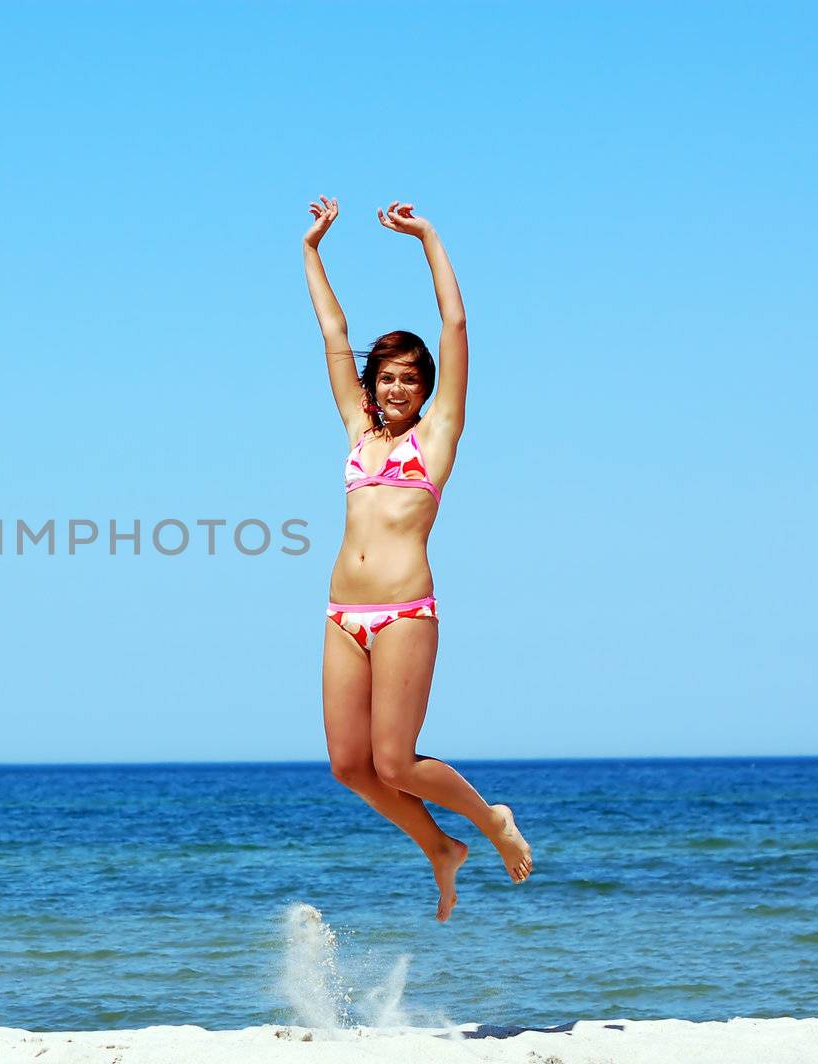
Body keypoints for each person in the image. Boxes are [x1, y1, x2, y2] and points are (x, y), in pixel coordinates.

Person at [302, 196, 533, 922]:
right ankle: (440, 848)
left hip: (403, 611)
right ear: (371, 384)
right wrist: (313, 250)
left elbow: (455, 324)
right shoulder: (355, 431)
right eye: (386, 376)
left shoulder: (435, 439)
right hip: (343, 614)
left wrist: (428, 236)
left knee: (397, 762)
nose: (396, 387)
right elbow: (333, 332)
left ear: (426, 388)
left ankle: (490, 819)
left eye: (410, 377)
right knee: (350, 767)